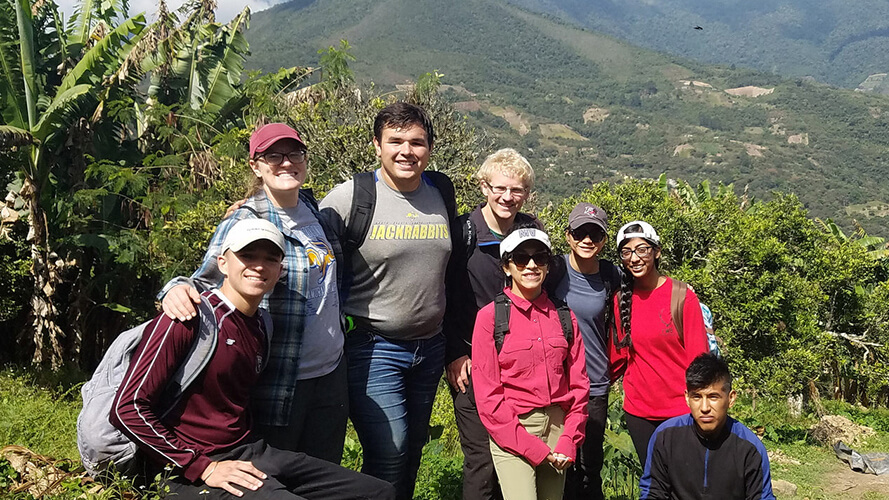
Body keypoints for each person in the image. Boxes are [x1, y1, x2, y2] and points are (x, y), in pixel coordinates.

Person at [111, 218, 395, 500]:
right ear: (223, 263)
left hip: (248, 451)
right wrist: (201, 467)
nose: (259, 266)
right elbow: (127, 408)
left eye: (270, 259)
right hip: (183, 469)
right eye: (247, 256)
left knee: (378, 492)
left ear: (279, 270)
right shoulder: (188, 318)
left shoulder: (262, 325)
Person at [159, 123, 348, 464]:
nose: (286, 163)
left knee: (325, 475)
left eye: (294, 154)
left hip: (331, 371)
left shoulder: (309, 206)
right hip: (284, 378)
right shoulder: (246, 221)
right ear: (256, 166)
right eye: (273, 155)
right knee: (281, 476)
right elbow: (207, 280)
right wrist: (173, 289)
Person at [318, 102, 455, 500]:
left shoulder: (440, 191)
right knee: (389, 452)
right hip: (373, 347)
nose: (406, 151)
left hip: (430, 347)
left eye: (417, 142)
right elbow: (302, 227)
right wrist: (254, 205)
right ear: (377, 145)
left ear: (429, 148)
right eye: (395, 141)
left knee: (411, 451)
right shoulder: (353, 196)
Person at [444, 148, 540, 500]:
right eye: (500, 188)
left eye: (516, 190)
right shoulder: (463, 232)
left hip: (519, 365)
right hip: (472, 363)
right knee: (481, 460)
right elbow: (444, 296)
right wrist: (453, 353)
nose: (507, 197)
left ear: (526, 194)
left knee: (517, 452)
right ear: (484, 187)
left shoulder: (531, 230)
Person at [472, 226, 589, 500]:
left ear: (548, 266)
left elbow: (580, 385)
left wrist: (569, 439)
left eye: (540, 258)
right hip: (513, 431)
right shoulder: (490, 318)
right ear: (506, 266)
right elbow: (488, 398)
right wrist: (534, 449)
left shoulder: (564, 317)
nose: (532, 265)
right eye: (521, 258)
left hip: (559, 430)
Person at [609, 221, 708, 467]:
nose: (634, 258)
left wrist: (702, 408)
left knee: (685, 482)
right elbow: (618, 357)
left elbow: (700, 360)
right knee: (654, 482)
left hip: (680, 411)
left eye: (642, 249)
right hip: (639, 411)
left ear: (657, 251)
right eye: (627, 252)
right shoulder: (621, 300)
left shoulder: (682, 296)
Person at [546, 203, 621, 500]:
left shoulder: (611, 276)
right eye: (580, 232)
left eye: (595, 234)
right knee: (557, 462)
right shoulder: (552, 270)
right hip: (555, 383)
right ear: (568, 236)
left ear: (603, 240)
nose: (587, 240)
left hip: (594, 383)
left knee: (590, 465)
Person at [640, 353, 776, 500]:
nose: (704, 408)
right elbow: (652, 492)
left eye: (713, 397)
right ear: (687, 398)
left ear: (731, 398)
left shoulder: (749, 448)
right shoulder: (666, 437)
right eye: (697, 397)